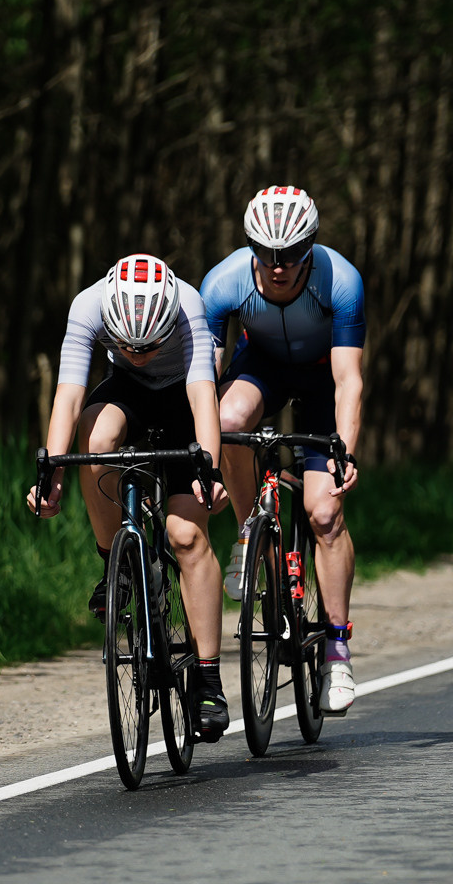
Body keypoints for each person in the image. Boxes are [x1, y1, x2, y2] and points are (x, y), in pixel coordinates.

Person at [27, 254, 231, 740]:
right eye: (126, 345)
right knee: (95, 442)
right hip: (128, 395)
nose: (139, 352)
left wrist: (210, 467)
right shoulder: (88, 305)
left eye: (149, 345)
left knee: (186, 537)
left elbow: (204, 394)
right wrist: (49, 472)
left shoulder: (187, 304)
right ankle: (113, 565)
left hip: (182, 395)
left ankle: (208, 678)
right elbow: (69, 396)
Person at [201, 185, 366, 715]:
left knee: (323, 515)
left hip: (322, 379)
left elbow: (349, 381)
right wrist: (207, 458)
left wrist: (345, 452)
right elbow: (206, 379)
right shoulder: (222, 283)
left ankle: (337, 649)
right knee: (227, 420)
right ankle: (252, 533)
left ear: (310, 246)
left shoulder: (341, 281)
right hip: (261, 368)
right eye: (266, 252)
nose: (277, 266)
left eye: (291, 254)